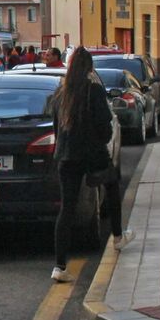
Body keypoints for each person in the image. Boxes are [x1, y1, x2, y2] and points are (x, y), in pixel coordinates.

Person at [52, 47, 130, 284]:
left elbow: (57, 128)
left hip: (67, 156)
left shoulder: (60, 93)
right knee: (112, 186)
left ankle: (59, 265)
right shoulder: (93, 90)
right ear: (89, 67)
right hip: (92, 153)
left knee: (67, 209)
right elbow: (104, 124)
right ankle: (117, 236)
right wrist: (102, 142)